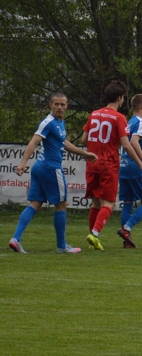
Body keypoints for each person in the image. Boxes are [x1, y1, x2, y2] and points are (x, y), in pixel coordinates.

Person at [9, 93, 97, 253]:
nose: (59, 107)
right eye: (56, 104)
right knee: (61, 204)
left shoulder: (59, 123)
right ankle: (61, 246)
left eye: (62, 104)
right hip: (50, 168)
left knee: (35, 204)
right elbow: (34, 141)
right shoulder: (48, 122)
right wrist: (23, 163)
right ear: (50, 105)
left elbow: (63, 143)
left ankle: (15, 239)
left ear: (67, 106)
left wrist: (85, 154)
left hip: (40, 168)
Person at [84, 81, 142, 251]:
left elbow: (84, 139)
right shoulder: (119, 118)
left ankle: (92, 238)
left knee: (95, 203)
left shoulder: (94, 114)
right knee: (109, 203)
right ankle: (94, 234)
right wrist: (141, 164)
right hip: (109, 164)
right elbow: (127, 145)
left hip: (92, 162)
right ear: (120, 98)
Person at [118, 94, 142, 249]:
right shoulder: (140, 122)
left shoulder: (129, 122)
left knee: (128, 202)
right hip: (135, 166)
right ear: (141, 106)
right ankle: (126, 229)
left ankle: (127, 241)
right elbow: (134, 142)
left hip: (124, 165)